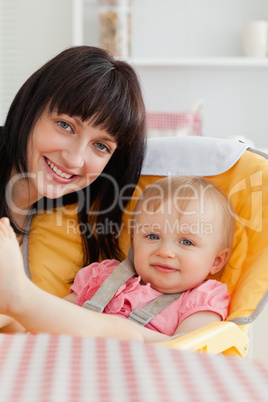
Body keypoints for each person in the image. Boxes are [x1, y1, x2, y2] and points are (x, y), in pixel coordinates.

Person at [0, 46, 146, 336]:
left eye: (101, 146)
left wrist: (23, 302)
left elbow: (128, 337)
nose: (75, 159)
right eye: (65, 125)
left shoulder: (76, 221)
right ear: (31, 107)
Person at [0, 176, 235, 342]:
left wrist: (120, 331)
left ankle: (19, 296)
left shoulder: (203, 299)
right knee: (24, 320)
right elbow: (59, 314)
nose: (165, 251)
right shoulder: (104, 276)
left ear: (216, 261)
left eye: (186, 242)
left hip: (138, 374)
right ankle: (13, 312)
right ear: (134, 241)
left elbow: (188, 350)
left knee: (124, 334)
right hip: (67, 366)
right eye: (152, 236)